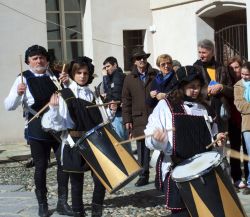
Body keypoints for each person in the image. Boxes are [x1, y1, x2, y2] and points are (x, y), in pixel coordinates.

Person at [145, 66, 227, 216]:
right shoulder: (166, 106)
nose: (195, 90)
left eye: (198, 87)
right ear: (181, 87)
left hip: (203, 171)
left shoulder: (205, 109)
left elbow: (213, 136)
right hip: (177, 170)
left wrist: (217, 140)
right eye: (191, 87)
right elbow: (150, 138)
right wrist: (157, 139)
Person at [4, 45, 72, 217]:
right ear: (28, 62)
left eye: (42, 57)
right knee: (41, 166)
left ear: (47, 60)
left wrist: (68, 84)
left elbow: (71, 99)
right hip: (37, 127)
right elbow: (9, 106)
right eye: (34, 58)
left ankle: (63, 203)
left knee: (64, 164)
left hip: (58, 126)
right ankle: (42, 204)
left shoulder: (57, 76)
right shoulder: (22, 79)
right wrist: (18, 94)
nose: (39, 60)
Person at [42, 56, 106, 216]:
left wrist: (109, 111)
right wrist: (54, 110)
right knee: (76, 183)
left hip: (95, 141)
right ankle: (79, 213)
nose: (82, 76)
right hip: (74, 142)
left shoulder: (93, 94)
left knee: (101, 180)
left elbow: (101, 120)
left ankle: (97, 211)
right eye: (79, 72)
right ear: (73, 74)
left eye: (85, 73)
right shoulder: (65, 94)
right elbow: (55, 124)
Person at [122, 47, 157, 186]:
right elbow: (126, 101)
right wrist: (127, 120)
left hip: (155, 115)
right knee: (142, 147)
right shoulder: (129, 78)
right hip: (138, 117)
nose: (142, 60)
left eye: (143, 57)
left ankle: (164, 174)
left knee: (161, 145)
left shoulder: (155, 74)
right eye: (138, 58)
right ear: (134, 62)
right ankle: (144, 175)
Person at [193, 39, 233, 132]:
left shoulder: (221, 67)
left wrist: (222, 87)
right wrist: (207, 90)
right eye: (199, 52)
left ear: (212, 52)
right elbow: (193, 88)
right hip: (204, 108)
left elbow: (232, 90)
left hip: (221, 110)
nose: (201, 55)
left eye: (204, 52)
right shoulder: (195, 67)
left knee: (221, 139)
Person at [102, 56, 131, 152]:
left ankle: (128, 164)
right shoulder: (114, 76)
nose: (107, 69)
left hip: (118, 114)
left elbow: (114, 97)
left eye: (108, 66)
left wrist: (105, 77)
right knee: (124, 142)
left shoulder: (117, 76)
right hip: (119, 113)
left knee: (121, 143)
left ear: (115, 65)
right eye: (105, 67)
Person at [227, 56, 248, 190]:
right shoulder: (229, 82)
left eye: (237, 67)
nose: (234, 70)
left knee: (247, 149)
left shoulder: (246, 80)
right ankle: (237, 178)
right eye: (232, 68)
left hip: (246, 119)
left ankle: (248, 177)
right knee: (234, 149)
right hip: (233, 119)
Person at [234, 61, 250, 195]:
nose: (244, 76)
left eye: (247, 74)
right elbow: (240, 106)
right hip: (247, 124)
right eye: (243, 74)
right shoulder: (238, 86)